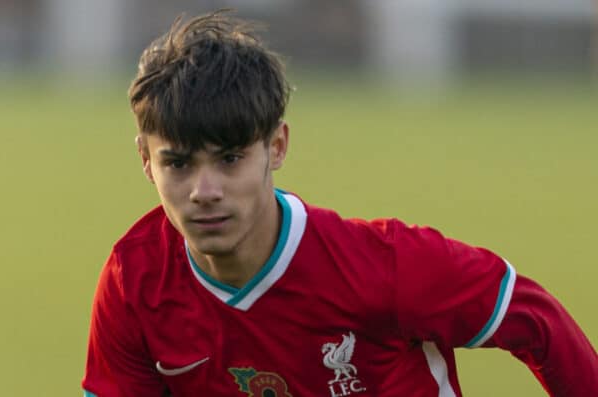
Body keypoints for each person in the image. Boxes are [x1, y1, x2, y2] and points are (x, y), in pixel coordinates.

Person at [82, 10, 597, 397]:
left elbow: (532, 317)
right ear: (146, 162)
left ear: (277, 147)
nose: (205, 190)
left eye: (231, 158)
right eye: (178, 164)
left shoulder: (385, 265)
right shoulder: (135, 281)